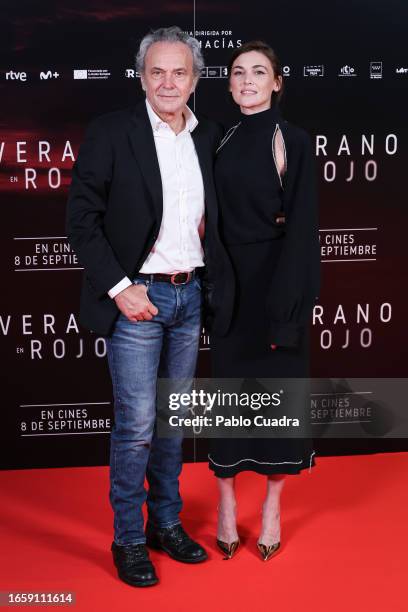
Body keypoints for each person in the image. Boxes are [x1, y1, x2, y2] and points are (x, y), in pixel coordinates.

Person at [66, 26, 233, 587]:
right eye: (156, 71)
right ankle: (129, 539)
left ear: (195, 79)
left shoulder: (209, 134)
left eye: (179, 71)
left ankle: (165, 524)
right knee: (137, 426)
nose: (168, 81)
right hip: (138, 298)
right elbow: (81, 220)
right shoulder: (113, 132)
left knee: (172, 424)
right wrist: (120, 287)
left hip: (190, 297)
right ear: (141, 76)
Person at [208, 41, 321, 561]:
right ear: (228, 84)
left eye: (259, 72)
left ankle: (273, 508)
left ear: (277, 82)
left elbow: (301, 229)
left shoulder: (292, 140)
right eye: (238, 72)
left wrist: (289, 309)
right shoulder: (216, 137)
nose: (247, 80)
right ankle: (227, 505)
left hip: (279, 283)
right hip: (229, 287)